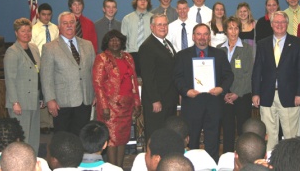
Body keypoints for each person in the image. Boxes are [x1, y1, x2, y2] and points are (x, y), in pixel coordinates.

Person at [173, 23, 234, 161]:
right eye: (199, 34)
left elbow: (229, 75)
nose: (202, 37)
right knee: (192, 141)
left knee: (213, 142)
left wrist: (222, 89)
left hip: (214, 104)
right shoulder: (182, 55)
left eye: (205, 34)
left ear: (209, 37)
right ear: (193, 37)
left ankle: (212, 166)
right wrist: (186, 91)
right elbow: (177, 78)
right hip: (192, 104)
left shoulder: (219, 54)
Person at [252, 11, 300, 152]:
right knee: (269, 135)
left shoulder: (298, 43)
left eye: (282, 22)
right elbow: (257, 70)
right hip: (266, 95)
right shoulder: (262, 44)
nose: (279, 25)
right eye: (276, 22)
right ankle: (271, 163)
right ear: (271, 24)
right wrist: (256, 93)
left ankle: (292, 163)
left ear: (287, 24)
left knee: (291, 135)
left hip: (290, 96)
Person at [41, 12, 96, 136]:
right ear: (59, 26)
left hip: (85, 99)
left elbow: (93, 71)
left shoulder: (88, 45)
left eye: (72, 22)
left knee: (81, 137)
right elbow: (46, 77)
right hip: (62, 102)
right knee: (63, 138)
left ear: (76, 24)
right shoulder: (49, 48)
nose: (69, 26)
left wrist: (95, 93)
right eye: (65, 23)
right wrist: (50, 100)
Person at [92, 30, 141, 167]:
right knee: (112, 139)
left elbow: (134, 82)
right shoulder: (102, 58)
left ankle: (119, 167)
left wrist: (137, 103)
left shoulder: (128, 57)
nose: (115, 42)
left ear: (122, 42)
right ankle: (112, 168)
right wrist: (104, 106)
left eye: (117, 40)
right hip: (110, 107)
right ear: (107, 42)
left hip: (127, 106)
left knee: (123, 139)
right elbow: (98, 84)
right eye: (111, 40)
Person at [139, 14, 178, 143]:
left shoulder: (166, 43)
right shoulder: (147, 47)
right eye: (159, 24)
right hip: (157, 101)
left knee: (167, 134)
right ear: (152, 27)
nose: (163, 27)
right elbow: (148, 77)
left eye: (165, 24)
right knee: (156, 135)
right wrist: (155, 100)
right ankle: (153, 161)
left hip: (169, 98)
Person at [4, 18, 40, 153]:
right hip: (19, 102)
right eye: (23, 31)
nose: (27, 33)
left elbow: (38, 73)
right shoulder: (12, 52)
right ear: (16, 33)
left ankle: (33, 160)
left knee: (34, 136)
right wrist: (15, 102)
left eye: (29, 30)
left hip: (34, 100)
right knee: (22, 137)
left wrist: (41, 96)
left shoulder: (34, 48)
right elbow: (10, 79)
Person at [217, 16, 253, 153]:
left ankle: (244, 158)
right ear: (226, 30)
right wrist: (225, 93)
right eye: (230, 28)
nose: (233, 31)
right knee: (227, 130)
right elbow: (218, 74)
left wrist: (236, 93)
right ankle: (227, 158)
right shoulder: (219, 49)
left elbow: (249, 74)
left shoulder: (247, 48)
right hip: (225, 97)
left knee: (244, 130)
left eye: (236, 28)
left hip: (242, 95)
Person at [31, 3, 58, 135]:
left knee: (53, 92)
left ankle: (53, 122)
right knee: (42, 93)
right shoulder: (33, 29)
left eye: (49, 14)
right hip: (40, 64)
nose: (46, 17)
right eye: (43, 14)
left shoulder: (55, 28)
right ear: (38, 14)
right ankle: (43, 124)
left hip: (55, 64)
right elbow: (32, 49)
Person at [121, 0, 153, 76]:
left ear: (148, 3)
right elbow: (123, 39)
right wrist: (125, 56)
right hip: (132, 54)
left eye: (145, 0)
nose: (143, 2)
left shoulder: (153, 18)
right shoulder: (127, 19)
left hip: (149, 55)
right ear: (136, 1)